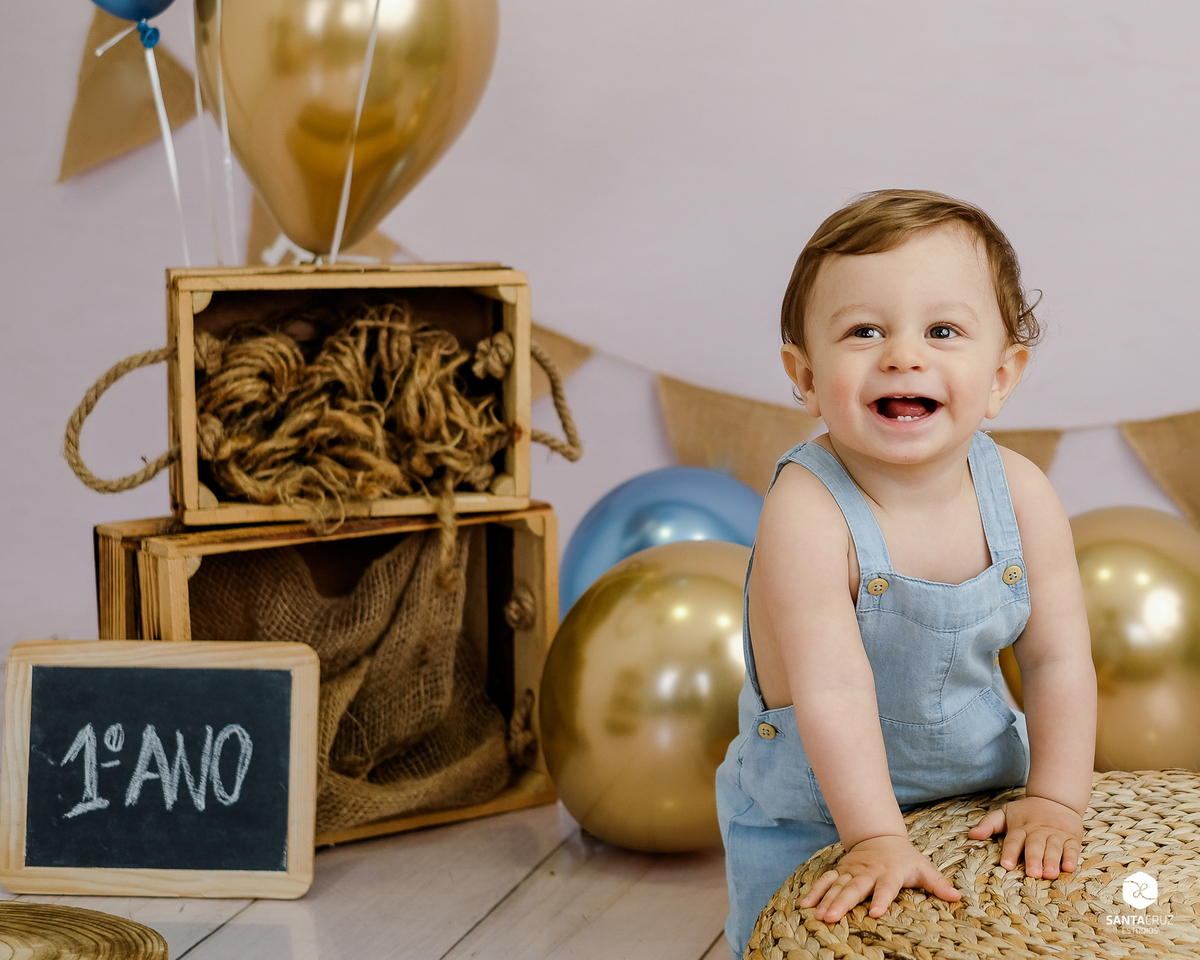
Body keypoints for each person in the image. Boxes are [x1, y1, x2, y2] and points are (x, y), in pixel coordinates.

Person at [715, 189, 1097, 958]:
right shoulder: (807, 510)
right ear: (806, 376)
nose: (902, 355)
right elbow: (832, 689)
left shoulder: (1020, 492)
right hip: (818, 814)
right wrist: (876, 838)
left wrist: (1055, 800)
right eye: (864, 331)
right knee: (799, 942)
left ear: (1001, 376)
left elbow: (1058, 660)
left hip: (980, 789)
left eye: (942, 331)